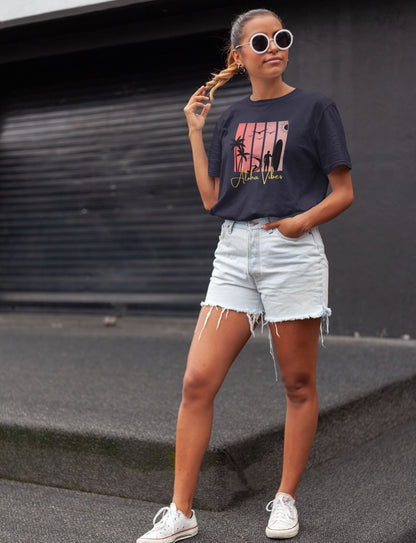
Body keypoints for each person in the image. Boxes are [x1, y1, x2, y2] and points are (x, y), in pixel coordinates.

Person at [136, 8, 353, 542]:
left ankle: (285, 499)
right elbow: (214, 199)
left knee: (298, 383)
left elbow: (343, 191)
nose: (274, 46)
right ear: (240, 56)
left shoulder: (316, 108)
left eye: (281, 37)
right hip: (233, 253)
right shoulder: (230, 120)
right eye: (261, 41)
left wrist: (298, 223)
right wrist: (195, 131)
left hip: (291, 252)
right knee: (196, 381)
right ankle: (181, 513)